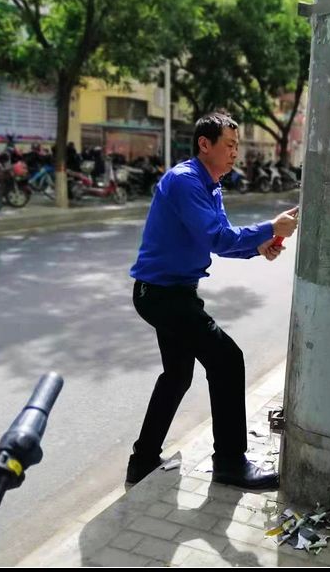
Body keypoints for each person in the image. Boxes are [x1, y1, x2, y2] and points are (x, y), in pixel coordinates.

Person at [127, 113, 298, 489]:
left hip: (171, 292)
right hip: (162, 294)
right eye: (230, 145)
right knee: (227, 360)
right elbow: (217, 237)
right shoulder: (185, 180)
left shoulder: (210, 185)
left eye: (237, 146)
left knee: (177, 375)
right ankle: (230, 464)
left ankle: (142, 461)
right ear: (205, 144)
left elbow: (220, 240)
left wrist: (260, 246)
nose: (236, 152)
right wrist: (269, 228)